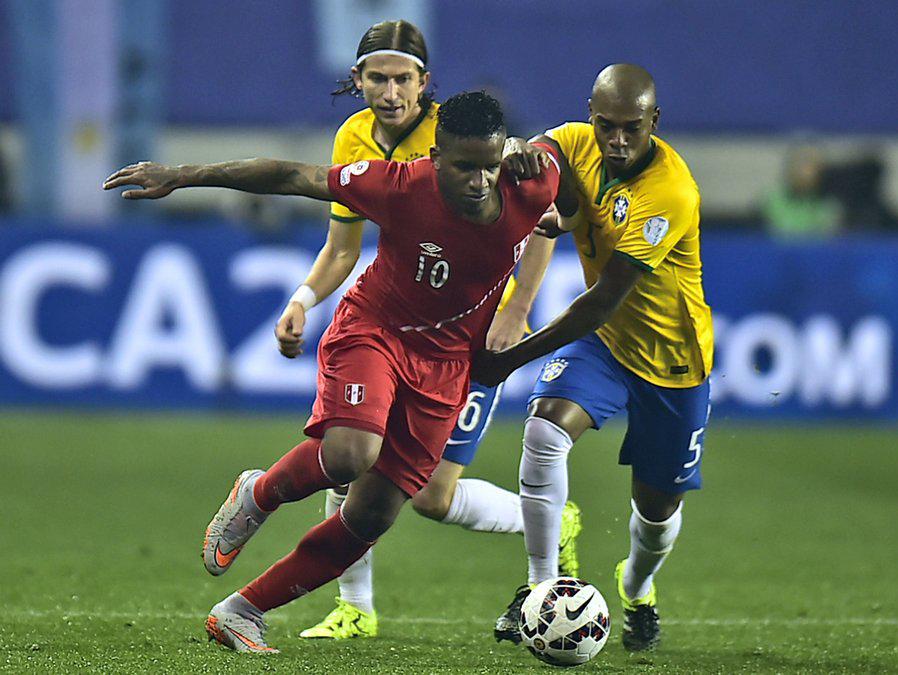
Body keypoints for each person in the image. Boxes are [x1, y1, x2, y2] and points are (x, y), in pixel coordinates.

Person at [103, 91, 571, 654]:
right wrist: (184, 174)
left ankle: (241, 612)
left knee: (373, 514)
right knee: (352, 453)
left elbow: (574, 162)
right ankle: (261, 493)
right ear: (436, 156)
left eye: (489, 166)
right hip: (375, 331)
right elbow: (290, 175)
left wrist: (550, 211)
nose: (478, 181)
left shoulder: (532, 179)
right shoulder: (400, 187)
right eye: (464, 167)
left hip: (447, 367)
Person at [290, 20, 580, 640]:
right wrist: (305, 298)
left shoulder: (463, 136)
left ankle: (556, 518)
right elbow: (343, 247)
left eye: (402, 79)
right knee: (352, 458)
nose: (390, 92)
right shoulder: (353, 137)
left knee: (433, 498)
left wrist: (514, 311)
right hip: (399, 331)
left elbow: (539, 221)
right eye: (377, 78)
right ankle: (354, 608)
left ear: (425, 82)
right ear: (357, 80)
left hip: (468, 342)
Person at [477, 64, 713, 652]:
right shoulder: (578, 142)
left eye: (632, 127)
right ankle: (539, 592)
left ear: (654, 121)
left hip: (672, 364)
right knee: (543, 431)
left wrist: (512, 359)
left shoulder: (670, 191)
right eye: (606, 124)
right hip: (605, 350)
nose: (617, 139)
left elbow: (602, 301)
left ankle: (638, 587)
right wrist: (517, 151)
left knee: (655, 516)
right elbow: (541, 153)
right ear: (591, 113)